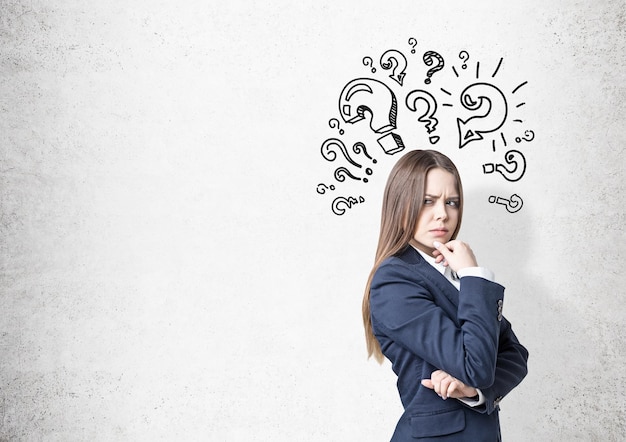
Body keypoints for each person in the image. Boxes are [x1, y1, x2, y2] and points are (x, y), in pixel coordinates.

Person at [362, 149, 528, 441]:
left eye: (452, 202)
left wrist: (474, 392)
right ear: (401, 204)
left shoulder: (448, 272)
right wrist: (474, 276)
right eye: (428, 201)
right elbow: (475, 366)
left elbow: (515, 354)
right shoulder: (393, 281)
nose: (443, 214)